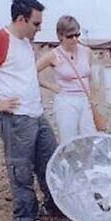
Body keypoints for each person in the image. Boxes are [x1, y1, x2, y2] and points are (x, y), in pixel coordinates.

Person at [0, 0, 58, 221]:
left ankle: (54, 206)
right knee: (21, 172)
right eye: (36, 23)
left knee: (51, 163)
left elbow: (25, 76)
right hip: (15, 120)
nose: (39, 28)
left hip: (36, 116)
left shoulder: (24, 42)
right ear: (21, 19)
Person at [36, 15, 96, 144]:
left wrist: (92, 98)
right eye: (70, 36)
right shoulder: (53, 55)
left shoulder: (87, 52)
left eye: (77, 35)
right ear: (60, 36)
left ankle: (88, 164)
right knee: (69, 141)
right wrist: (51, 86)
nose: (74, 39)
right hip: (66, 101)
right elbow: (31, 73)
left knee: (90, 140)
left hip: (85, 100)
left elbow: (90, 77)